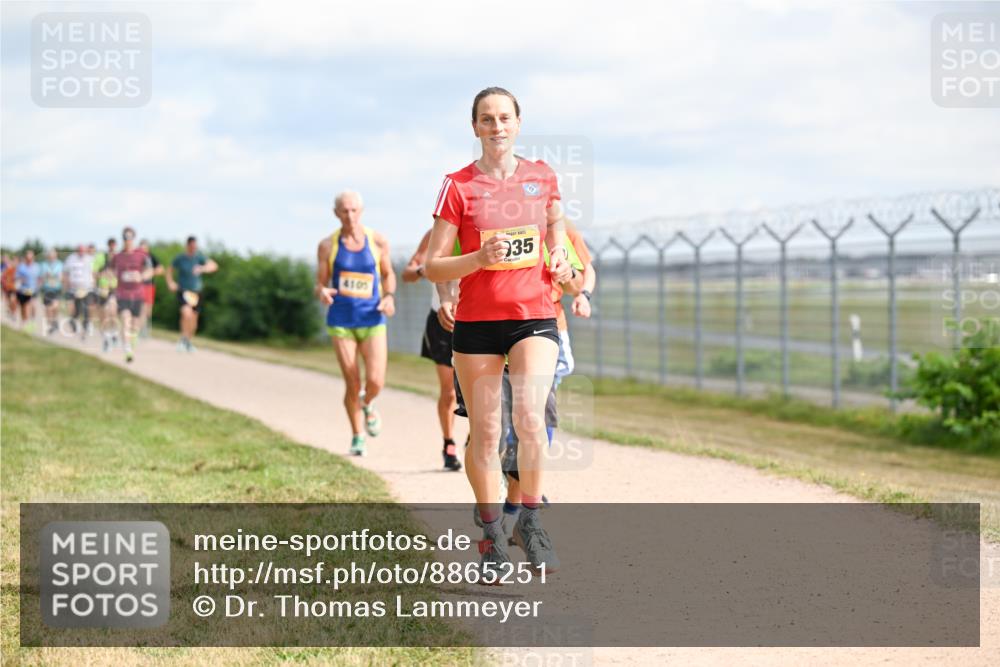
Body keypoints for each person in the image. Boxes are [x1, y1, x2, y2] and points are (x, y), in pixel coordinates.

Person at [425, 87, 572, 577]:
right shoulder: (458, 186)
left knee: (530, 418)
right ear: (475, 128)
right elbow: (433, 266)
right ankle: (490, 536)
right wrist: (477, 260)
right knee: (485, 435)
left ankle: (529, 522)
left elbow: (555, 224)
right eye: (486, 119)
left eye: (504, 117)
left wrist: (559, 251)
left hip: (534, 314)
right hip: (477, 323)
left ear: (518, 123)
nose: (496, 127)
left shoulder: (541, 177)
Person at [315, 191, 397, 456]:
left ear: (361, 211)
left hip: (372, 317)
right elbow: (321, 282)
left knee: (375, 381)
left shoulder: (378, 241)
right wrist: (322, 292)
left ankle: (368, 403)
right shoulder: (328, 245)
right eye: (344, 211)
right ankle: (357, 434)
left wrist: (389, 297)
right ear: (336, 213)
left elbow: (388, 274)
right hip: (341, 321)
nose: (349, 215)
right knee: (352, 381)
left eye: (353, 210)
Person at [402, 229, 462, 471]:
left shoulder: (485, 227)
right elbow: (407, 273)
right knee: (449, 391)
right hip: (442, 320)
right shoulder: (435, 234)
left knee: (478, 392)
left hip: (476, 319)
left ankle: (476, 439)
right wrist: (421, 270)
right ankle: (449, 444)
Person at [166, 236, 218, 352]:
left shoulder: (199, 257)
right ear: (187, 246)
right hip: (184, 290)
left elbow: (214, 266)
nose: (193, 248)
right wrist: (170, 283)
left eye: (195, 246)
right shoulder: (180, 258)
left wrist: (202, 268)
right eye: (192, 246)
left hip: (197, 292)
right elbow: (169, 269)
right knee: (186, 313)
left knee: (194, 321)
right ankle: (183, 340)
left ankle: (188, 341)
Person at [110, 227, 153, 363]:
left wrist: (141, 276)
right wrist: (111, 283)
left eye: (130, 238)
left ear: (133, 239)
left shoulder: (141, 256)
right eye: (125, 238)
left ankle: (132, 341)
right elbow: (109, 272)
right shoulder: (117, 257)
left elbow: (150, 271)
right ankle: (128, 350)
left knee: (135, 325)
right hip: (122, 295)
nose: (127, 241)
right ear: (123, 239)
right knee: (125, 320)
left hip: (138, 295)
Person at [63, 244, 96, 338]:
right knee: (76, 310)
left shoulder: (90, 259)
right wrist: (66, 284)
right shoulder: (71, 259)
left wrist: (94, 283)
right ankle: (72, 320)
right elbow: (65, 272)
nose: (81, 252)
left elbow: (94, 272)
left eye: (83, 250)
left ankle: (86, 326)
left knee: (87, 308)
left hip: (87, 288)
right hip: (73, 289)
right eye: (79, 250)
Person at [95, 238, 119, 351]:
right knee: (104, 315)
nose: (112, 248)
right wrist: (102, 275)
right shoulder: (101, 257)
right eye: (111, 245)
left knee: (113, 312)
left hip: (114, 288)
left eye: (114, 245)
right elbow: (94, 272)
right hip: (102, 289)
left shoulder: (120, 258)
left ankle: (114, 334)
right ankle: (106, 339)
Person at [138, 239, 164, 337]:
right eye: (141, 248)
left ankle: (146, 326)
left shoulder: (151, 257)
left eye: (144, 248)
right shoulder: (136, 257)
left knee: (148, 309)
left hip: (149, 286)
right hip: (139, 286)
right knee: (141, 308)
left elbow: (161, 269)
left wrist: (152, 271)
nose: (143, 250)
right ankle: (141, 329)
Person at [39, 249, 65, 335]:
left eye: (53, 256)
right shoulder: (43, 265)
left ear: (56, 256)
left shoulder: (60, 264)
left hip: (57, 289)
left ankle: (54, 321)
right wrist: (45, 277)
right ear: (47, 256)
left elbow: (62, 276)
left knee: (55, 307)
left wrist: (61, 280)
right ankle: (50, 325)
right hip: (47, 289)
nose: (52, 257)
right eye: (50, 256)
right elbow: (41, 277)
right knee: (48, 308)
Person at [15, 251, 42, 331]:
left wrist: (39, 284)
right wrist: (20, 280)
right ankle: (24, 321)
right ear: (25, 258)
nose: (29, 260)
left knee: (32, 306)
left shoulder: (37, 267)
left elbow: (40, 278)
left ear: (33, 258)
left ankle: (31, 322)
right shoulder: (21, 267)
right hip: (23, 290)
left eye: (31, 258)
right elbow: (17, 277)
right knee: (23, 307)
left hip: (34, 290)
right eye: (27, 258)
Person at [2, 255, 19, 322]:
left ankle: (13, 313)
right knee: (10, 301)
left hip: (15, 289)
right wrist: (5, 284)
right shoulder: (9, 269)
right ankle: (12, 312)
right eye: (14, 261)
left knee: (13, 300)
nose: (15, 263)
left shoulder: (19, 269)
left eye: (16, 261)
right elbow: (4, 277)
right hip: (8, 288)